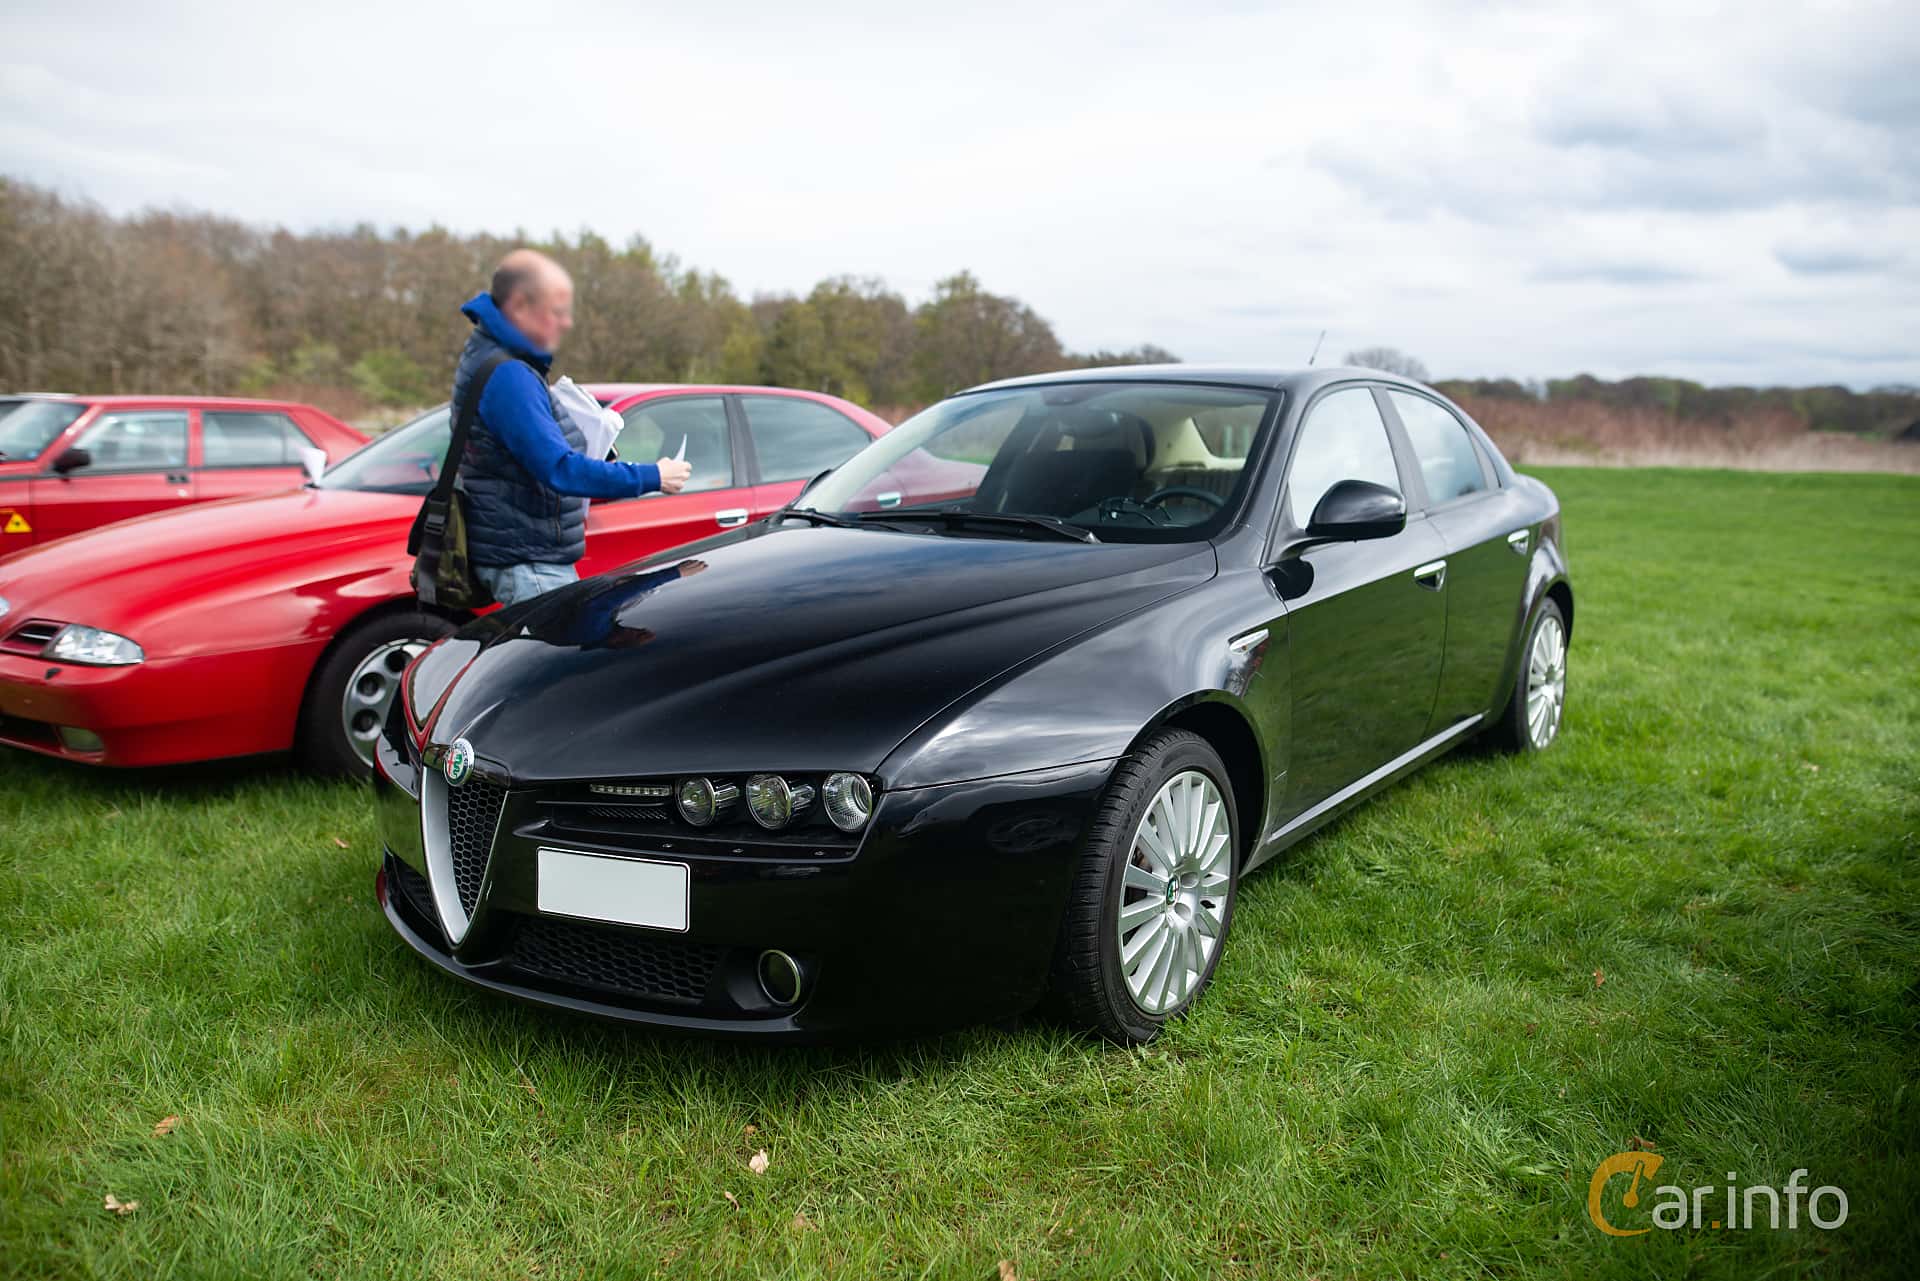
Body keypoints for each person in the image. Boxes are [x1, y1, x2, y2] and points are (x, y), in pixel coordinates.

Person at [451, 248, 693, 606]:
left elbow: (522, 464)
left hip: (526, 556)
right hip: (530, 564)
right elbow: (557, 468)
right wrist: (653, 476)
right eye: (556, 311)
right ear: (520, 305)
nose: (565, 323)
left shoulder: (494, 357)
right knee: (559, 657)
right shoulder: (509, 375)